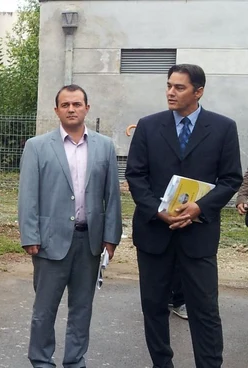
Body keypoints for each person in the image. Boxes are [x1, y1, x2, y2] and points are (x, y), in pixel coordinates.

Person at [125, 64, 242, 368]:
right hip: (155, 233)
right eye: (168, 86)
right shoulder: (149, 126)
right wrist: (158, 211)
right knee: (153, 306)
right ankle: (162, 363)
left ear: (198, 91)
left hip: (198, 234)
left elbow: (231, 178)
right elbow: (136, 175)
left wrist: (200, 207)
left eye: (179, 87)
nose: (170, 92)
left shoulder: (223, 128)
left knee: (204, 309)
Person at [18, 84, 122, 368]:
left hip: (89, 242)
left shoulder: (104, 147)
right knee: (44, 309)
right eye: (65, 105)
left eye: (77, 104)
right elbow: (28, 195)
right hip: (50, 242)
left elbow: (112, 196)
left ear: (87, 108)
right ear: (56, 111)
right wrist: (30, 235)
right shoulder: (37, 146)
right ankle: (41, 360)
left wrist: (111, 238)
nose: (72, 109)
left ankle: (75, 361)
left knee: (82, 308)